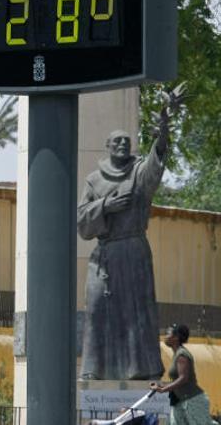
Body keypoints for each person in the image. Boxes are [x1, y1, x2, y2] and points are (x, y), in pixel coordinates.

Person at [77, 88, 184, 380]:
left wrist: (163, 129)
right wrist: (105, 206)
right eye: (117, 141)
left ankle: (142, 371)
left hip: (134, 251)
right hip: (106, 255)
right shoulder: (94, 180)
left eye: (127, 141)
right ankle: (95, 370)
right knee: (98, 308)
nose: (123, 144)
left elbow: (155, 163)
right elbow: (82, 223)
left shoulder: (139, 173)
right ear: (108, 146)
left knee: (138, 314)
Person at [150, 324, 216, 425]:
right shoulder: (177, 354)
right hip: (180, 402)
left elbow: (183, 378)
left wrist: (164, 389)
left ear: (176, 337)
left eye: (168, 333)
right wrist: (162, 386)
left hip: (193, 400)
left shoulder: (182, 355)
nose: (165, 336)